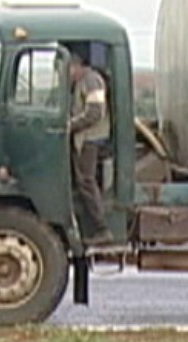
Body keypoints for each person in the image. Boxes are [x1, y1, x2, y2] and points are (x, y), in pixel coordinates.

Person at [68, 52, 114, 246]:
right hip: (84, 139)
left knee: (86, 180)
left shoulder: (91, 80)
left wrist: (70, 125)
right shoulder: (81, 82)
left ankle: (102, 228)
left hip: (90, 140)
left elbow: (95, 112)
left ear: (76, 67)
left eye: (68, 69)